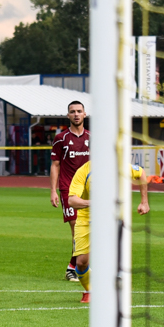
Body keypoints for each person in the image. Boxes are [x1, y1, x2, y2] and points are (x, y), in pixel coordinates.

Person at [66, 154, 150, 304]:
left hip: (112, 218)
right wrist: (94, 202)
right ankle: (90, 290)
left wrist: (144, 201)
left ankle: (118, 288)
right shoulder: (84, 171)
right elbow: (72, 200)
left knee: (115, 255)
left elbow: (141, 173)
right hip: (86, 219)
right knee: (81, 262)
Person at [50, 100, 91, 282]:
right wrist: (53, 191)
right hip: (68, 189)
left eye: (79, 111)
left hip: (87, 190)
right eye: (72, 111)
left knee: (89, 230)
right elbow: (55, 165)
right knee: (76, 229)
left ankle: (73, 266)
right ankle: (73, 268)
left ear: (84, 114)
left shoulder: (92, 138)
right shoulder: (61, 138)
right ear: (68, 115)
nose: (76, 114)